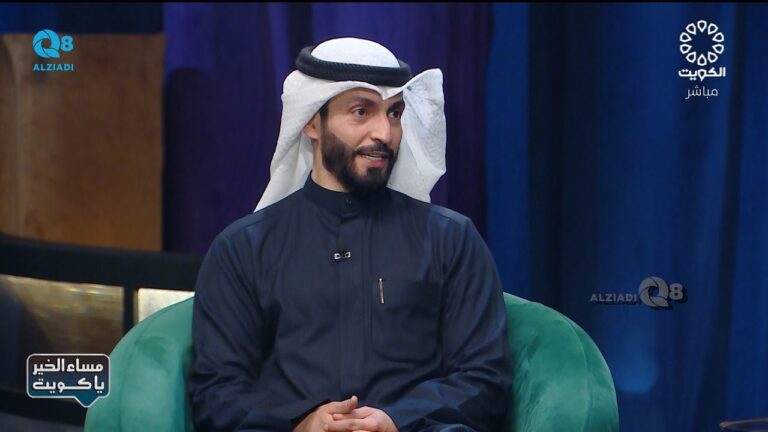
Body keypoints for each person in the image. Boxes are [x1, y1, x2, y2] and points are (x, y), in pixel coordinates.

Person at [188, 37, 511, 432]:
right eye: (361, 112)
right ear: (311, 122)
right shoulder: (243, 249)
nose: (384, 133)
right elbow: (216, 391)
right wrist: (300, 425)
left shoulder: (451, 240)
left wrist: (396, 420)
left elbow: (485, 379)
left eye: (394, 113)